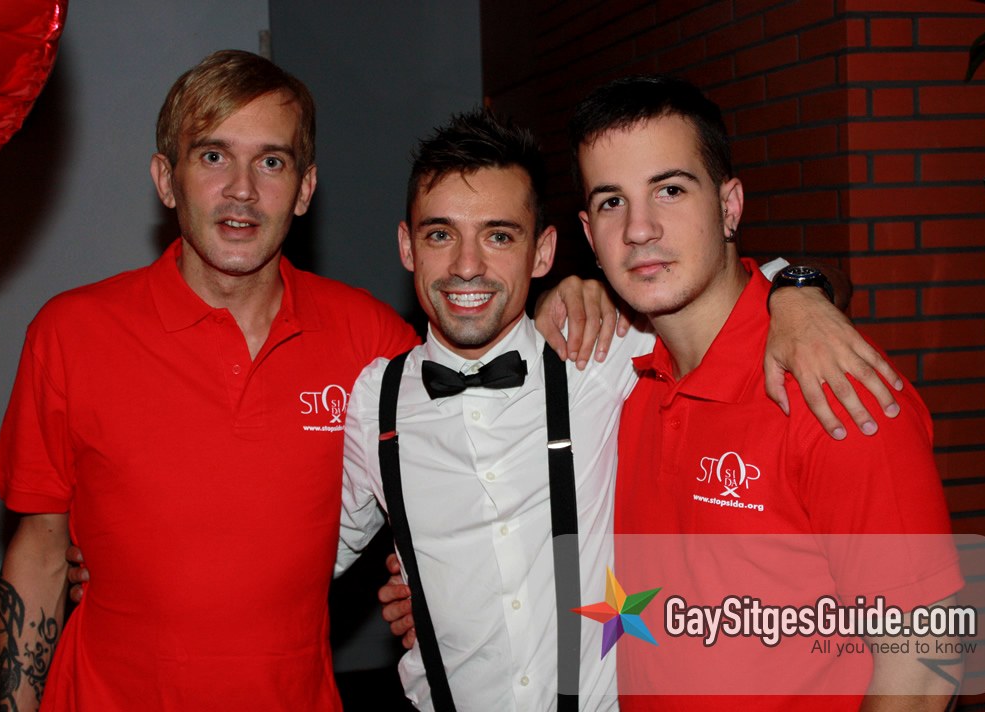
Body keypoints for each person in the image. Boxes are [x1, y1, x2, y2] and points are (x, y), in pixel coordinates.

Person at [338, 108, 901, 712]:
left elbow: (751, 286)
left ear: (543, 252)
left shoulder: (606, 351)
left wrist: (801, 297)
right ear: (407, 246)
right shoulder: (374, 402)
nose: (467, 266)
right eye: (440, 235)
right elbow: (304, 556)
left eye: (499, 236)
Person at [0, 49, 423, 712]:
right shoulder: (70, 334)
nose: (242, 189)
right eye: (213, 156)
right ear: (167, 180)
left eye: (272, 162)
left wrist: (560, 309)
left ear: (305, 189)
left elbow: (487, 439)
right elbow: (42, 549)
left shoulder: (370, 340)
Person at [570, 74, 963, 710]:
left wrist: (800, 291)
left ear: (729, 206)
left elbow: (923, 665)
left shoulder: (828, 384)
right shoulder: (622, 381)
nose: (639, 229)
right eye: (613, 201)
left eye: (670, 189)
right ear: (589, 235)